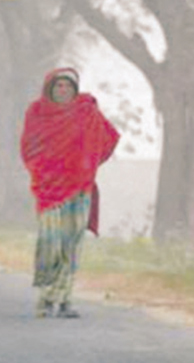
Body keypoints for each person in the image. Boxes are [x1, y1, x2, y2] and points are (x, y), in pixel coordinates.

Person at [20, 67, 120, 319]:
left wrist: (88, 162)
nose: (62, 90)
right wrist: (42, 171)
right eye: (58, 86)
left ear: (75, 89)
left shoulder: (86, 112)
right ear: (49, 89)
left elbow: (109, 137)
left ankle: (63, 299)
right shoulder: (37, 113)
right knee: (50, 242)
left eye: (67, 86)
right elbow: (29, 148)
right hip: (49, 189)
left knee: (71, 244)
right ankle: (46, 295)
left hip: (79, 188)